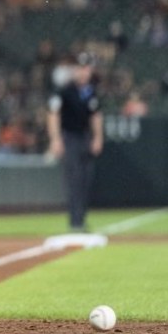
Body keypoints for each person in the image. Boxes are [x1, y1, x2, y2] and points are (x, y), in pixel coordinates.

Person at [47, 52, 104, 232]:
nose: (84, 72)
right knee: (74, 179)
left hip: (85, 137)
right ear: (75, 70)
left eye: (87, 68)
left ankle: (81, 219)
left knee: (86, 179)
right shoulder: (64, 90)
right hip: (69, 137)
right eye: (81, 68)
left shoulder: (90, 91)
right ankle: (75, 221)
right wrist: (55, 139)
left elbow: (96, 116)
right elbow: (53, 114)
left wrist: (98, 137)